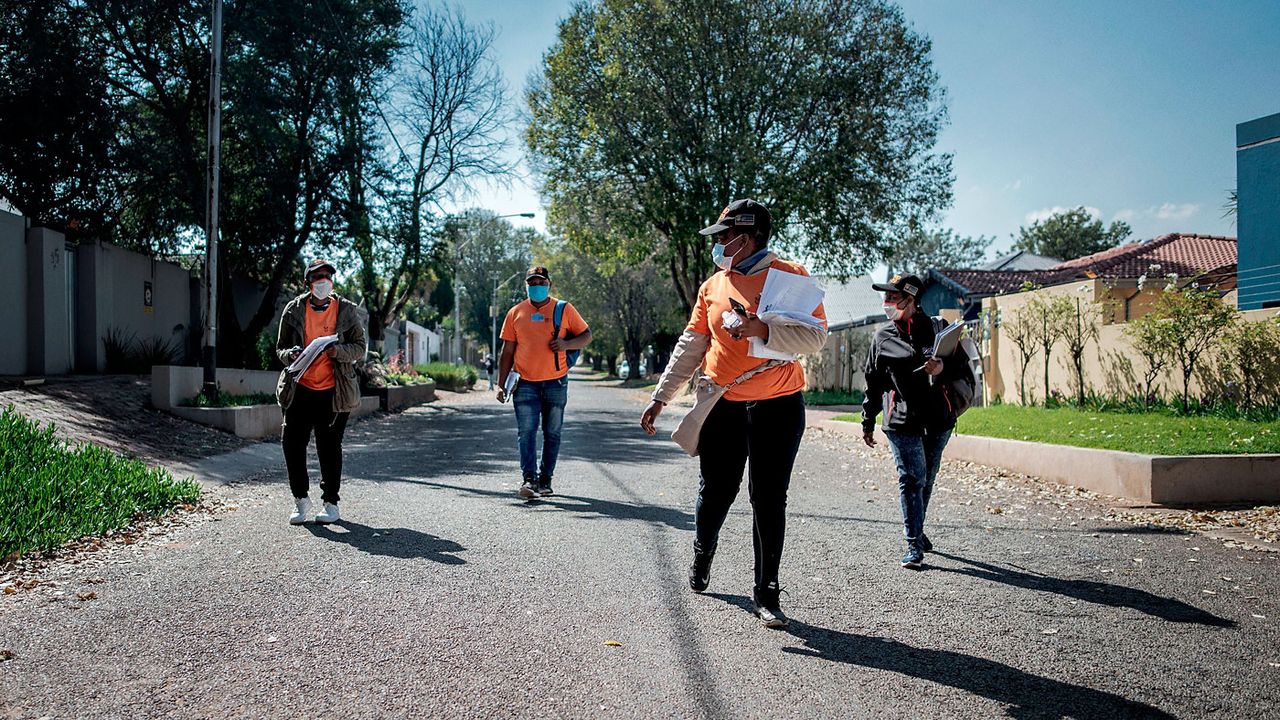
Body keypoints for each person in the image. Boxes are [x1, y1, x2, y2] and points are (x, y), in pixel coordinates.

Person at [640, 199, 828, 628]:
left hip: (780, 405)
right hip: (723, 404)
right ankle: (702, 553)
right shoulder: (712, 286)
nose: (720, 244)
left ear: (748, 236)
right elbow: (691, 345)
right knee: (716, 491)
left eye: (725, 236)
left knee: (768, 497)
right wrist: (660, 396)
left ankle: (767, 592)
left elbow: (815, 338)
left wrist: (763, 329)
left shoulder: (792, 276)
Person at [860, 273, 974, 569]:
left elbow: (961, 368)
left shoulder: (939, 329)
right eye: (885, 297)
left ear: (911, 300)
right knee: (911, 479)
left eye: (892, 297)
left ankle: (917, 529)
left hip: (938, 418)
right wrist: (867, 420)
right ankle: (913, 544)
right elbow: (872, 381)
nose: (886, 303)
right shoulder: (882, 337)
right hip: (901, 421)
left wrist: (941, 368)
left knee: (926, 478)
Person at [275, 259, 367, 526]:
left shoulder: (347, 310)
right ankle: (301, 500)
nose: (323, 281)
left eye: (328, 276)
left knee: (329, 447)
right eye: (317, 277)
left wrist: (338, 352)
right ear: (308, 283)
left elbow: (360, 347)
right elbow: (280, 348)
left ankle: (330, 503)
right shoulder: (293, 310)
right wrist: (289, 354)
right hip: (300, 388)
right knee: (292, 444)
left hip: (333, 391)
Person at [495, 265, 592, 499]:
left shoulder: (564, 309)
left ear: (549, 284)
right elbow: (507, 351)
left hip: (556, 383)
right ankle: (529, 479)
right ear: (526, 286)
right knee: (526, 432)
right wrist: (500, 384)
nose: (536, 286)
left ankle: (545, 481)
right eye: (532, 283)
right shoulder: (515, 312)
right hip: (524, 383)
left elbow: (586, 335)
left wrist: (567, 345)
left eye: (540, 282)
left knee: (552, 433)